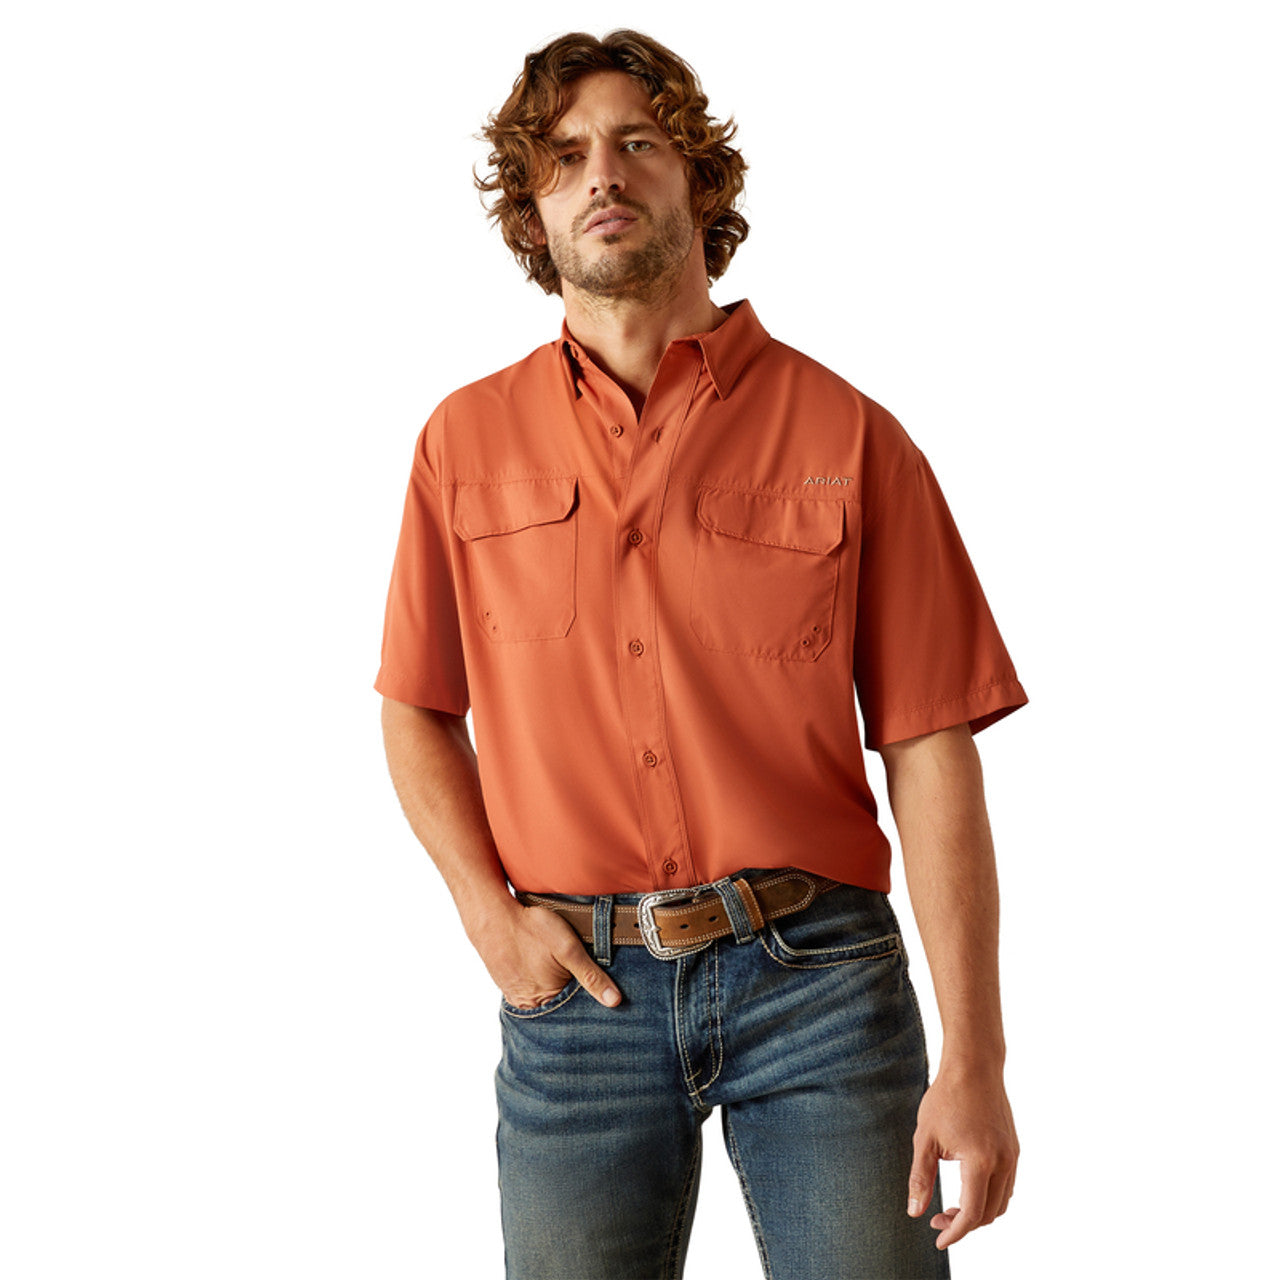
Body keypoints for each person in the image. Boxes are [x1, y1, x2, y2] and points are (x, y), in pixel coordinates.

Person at [377, 28, 1025, 1280]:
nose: (601, 173)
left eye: (637, 142)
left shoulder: (849, 434)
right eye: (564, 155)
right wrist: (488, 918)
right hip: (575, 999)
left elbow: (929, 744)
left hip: (820, 984)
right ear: (532, 208)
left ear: (698, 180)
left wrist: (976, 1058)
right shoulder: (460, 443)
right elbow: (414, 706)